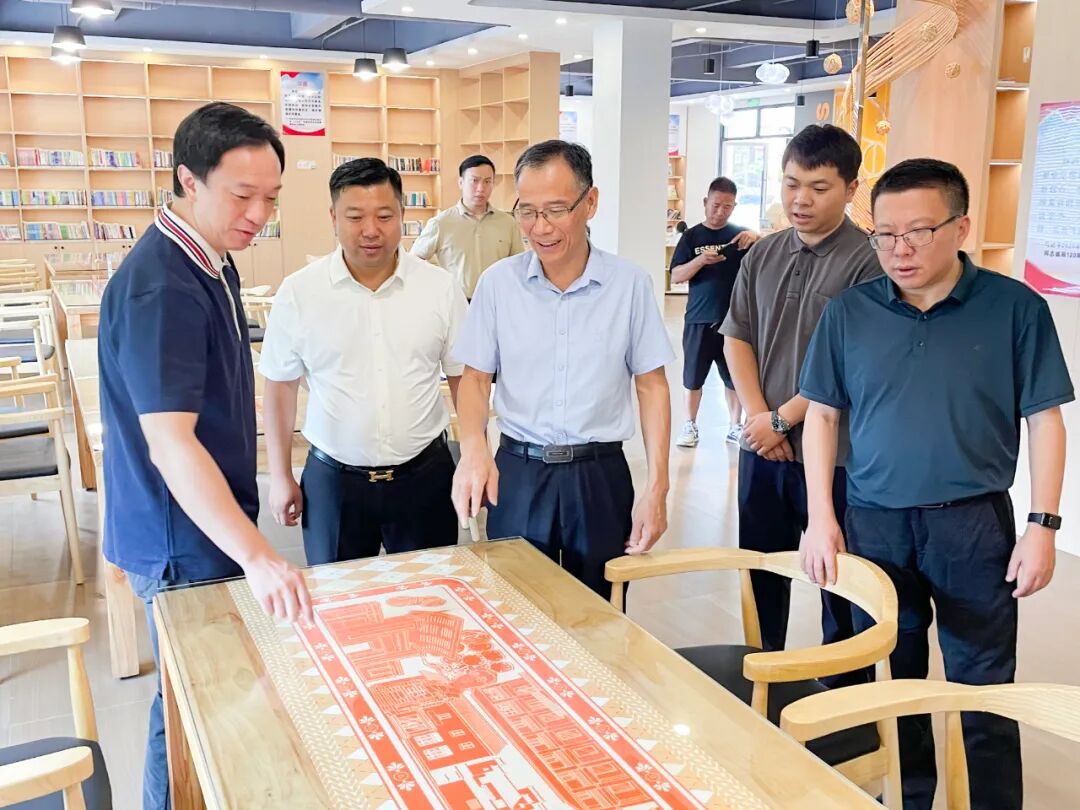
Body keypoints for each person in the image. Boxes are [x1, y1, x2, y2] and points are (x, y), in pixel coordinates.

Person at [800, 158, 1073, 810]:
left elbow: (1045, 420)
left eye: (919, 232)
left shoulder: (1015, 309)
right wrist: (820, 517)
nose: (901, 249)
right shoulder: (850, 312)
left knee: (985, 687)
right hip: (873, 521)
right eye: (885, 234)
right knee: (894, 681)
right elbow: (823, 417)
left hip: (971, 525)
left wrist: (1042, 525)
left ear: (960, 227)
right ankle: (908, 798)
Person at [97, 102, 313, 810]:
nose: (259, 215)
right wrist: (259, 556)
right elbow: (170, 442)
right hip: (179, 540)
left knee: (200, 697)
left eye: (271, 198)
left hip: (196, 528)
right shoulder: (164, 285)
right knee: (188, 705)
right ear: (188, 180)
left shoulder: (209, 258)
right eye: (242, 195)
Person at [451, 140, 675, 597]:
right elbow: (475, 378)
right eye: (527, 211)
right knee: (514, 607)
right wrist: (473, 446)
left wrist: (658, 486)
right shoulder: (498, 285)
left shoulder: (629, 284)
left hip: (599, 475)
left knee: (599, 613)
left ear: (590, 203)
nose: (541, 227)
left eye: (555, 210)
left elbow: (652, 386)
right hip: (518, 472)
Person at [719, 123, 880, 668]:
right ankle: (763, 675)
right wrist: (759, 418)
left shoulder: (868, 262)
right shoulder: (763, 254)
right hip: (763, 449)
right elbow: (737, 335)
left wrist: (781, 420)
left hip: (835, 455)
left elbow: (852, 362)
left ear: (851, 189)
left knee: (838, 579)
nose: (800, 199)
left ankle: (842, 694)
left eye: (818, 187)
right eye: (791, 184)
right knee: (761, 570)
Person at [260, 158, 468, 565]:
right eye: (355, 217)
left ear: (402, 215)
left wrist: (476, 454)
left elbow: (465, 378)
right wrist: (280, 475)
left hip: (425, 477)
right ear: (333, 218)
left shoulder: (439, 288)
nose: (371, 230)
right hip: (334, 483)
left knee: (431, 595)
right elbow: (280, 388)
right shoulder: (300, 293)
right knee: (338, 598)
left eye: (384, 216)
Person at [670, 176, 760, 448]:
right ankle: (690, 424)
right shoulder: (691, 237)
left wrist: (757, 237)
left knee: (734, 377)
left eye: (727, 207)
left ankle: (735, 425)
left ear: (734, 206)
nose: (720, 212)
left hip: (733, 322)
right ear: (705, 202)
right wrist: (700, 260)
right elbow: (676, 275)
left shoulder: (741, 237)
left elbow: (771, 254)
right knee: (693, 377)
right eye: (716, 205)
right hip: (698, 319)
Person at [411, 154, 524, 299]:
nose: (480, 188)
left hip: (497, 300)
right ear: (460, 183)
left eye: (487, 181)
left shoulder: (508, 223)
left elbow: (519, 265)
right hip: (456, 301)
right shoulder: (441, 223)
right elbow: (414, 261)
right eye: (474, 181)